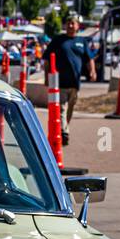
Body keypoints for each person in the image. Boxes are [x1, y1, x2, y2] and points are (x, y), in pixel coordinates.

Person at [45, 15, 95, 145]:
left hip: (75, 83)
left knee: (70, 109)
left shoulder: (82, 41)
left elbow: (89, 58)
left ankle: (62, 129)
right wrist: (47, 77)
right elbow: (47, 59)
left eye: (73, 23)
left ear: (78, 26)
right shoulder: (58, 40)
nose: (71, 26)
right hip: (59, 82)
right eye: (68, 23)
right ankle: (64, 131)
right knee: (62, 108)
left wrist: (92, 71)